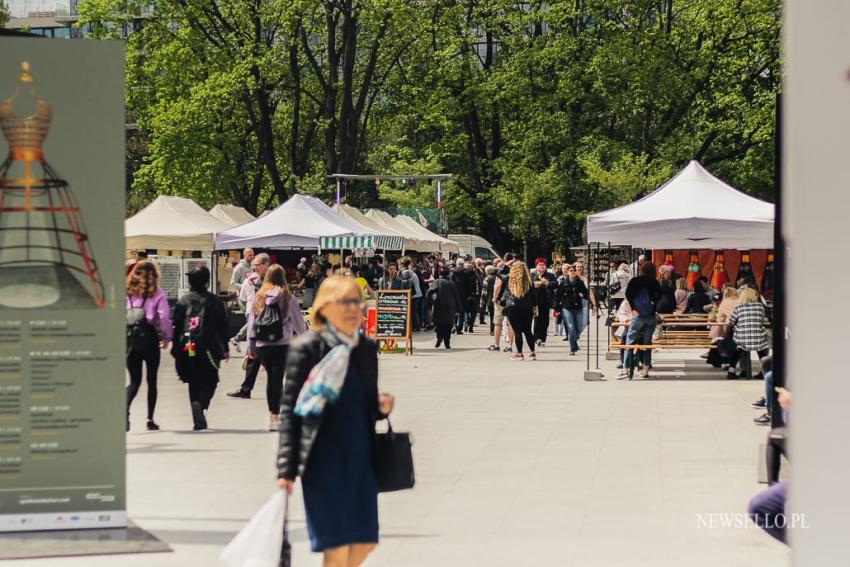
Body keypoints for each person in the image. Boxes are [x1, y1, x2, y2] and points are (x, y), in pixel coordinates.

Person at [277, 276, 395, 566]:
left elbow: (365, 400)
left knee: (366, 542)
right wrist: (286, 470)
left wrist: (380, 407)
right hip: (322, 462)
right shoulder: (306, 349)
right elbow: (291, 412)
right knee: (337, 547)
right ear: (324, 308)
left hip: (361, 460)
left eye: (357, 301)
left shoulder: (364, 348)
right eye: (345, 302)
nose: (353, 308)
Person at [247, 264, 308, 430]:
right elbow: (298, 322)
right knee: (278, 378)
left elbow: (251, 322)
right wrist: (305, 338)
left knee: (269, 379)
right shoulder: (287, 296)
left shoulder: (259, 296)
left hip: (263, 344)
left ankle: (270, 415)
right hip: (282, 343)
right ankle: (276, 415)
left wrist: (251, 346)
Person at [171, 266, 229, 430]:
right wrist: (225, 347)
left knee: (193, 379)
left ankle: (196, 415)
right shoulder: (214, 301)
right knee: (211, 379)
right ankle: (201, 404)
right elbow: (223, 326)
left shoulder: (183, 301)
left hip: (188, 346)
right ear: (207, 281)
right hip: (209, 347)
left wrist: (176, 347)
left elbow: (176, 326)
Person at [125, 261, 172, 431]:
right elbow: (164, 317)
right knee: (152, 381)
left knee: (134, 381)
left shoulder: (127, 294)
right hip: (150, 338)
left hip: (129, 340)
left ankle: (125, 410)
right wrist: (166, 337)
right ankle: (150, 419)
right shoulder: (158, 293)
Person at [227, 253, 271, 398]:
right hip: (254, 321)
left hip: (270, 324)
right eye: (253, 265)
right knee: (252, 356)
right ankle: (246, 389)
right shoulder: (248, 280)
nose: (255, 267)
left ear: (267, 265)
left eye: (258, 265)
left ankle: (280, 391)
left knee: (274, 361)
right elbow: (243, 298)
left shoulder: (274, 281)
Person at [619, 261, 662, 379]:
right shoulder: (655, 282)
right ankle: (645, 369)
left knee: (630, 341)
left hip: (637, 316)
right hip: (650, 316)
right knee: (647, 343)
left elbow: (628, 294)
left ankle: (625, 368)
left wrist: (633, 308)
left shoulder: (635, 281)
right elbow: (659, 297)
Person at [728, 287, 770, 380]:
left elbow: (731, 321)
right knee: (762, 352)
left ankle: (731, 371)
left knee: (737, 350)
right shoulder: (760, 306)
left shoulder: (739, 307)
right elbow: (762, 319)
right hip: (758, 338)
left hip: (742, 339)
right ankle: (765, 372)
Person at [504, 262, 537, 361]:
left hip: (513, 308)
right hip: (527, 308)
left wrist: (506, 265)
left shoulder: (510, 280)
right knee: (527, 331)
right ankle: (532, 353)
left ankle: (520, 353)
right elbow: (534, 296)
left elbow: (498, 272)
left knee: (517, 331)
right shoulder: (529, 282)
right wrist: (535, 307)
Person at [555, 264, 588, 356]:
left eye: (574, 270)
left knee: (579, 327)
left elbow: (586, 293)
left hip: (578, 307)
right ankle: (572, 348)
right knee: (571, 328)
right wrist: (556, 309)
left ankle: (574, 342)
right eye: (571, 270)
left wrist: (583, 295)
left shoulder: (579, 282)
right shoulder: (564, 283)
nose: (573, 272)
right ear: (568, 272)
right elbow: (558, 296)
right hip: (567, 308)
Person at [428, 268, 462, 349]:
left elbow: (430, 292)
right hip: (450, 306)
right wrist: (458, 308)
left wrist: (431, 301)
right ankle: (447, 342)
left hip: (439, 305)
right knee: (448, 325)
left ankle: (439, 337)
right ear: (448, 274)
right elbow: (456, 296)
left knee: (439, 324)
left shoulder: (437, 281)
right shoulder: (451, 283)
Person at [488, 253, 516, 352]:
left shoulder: (502, 270)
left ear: (504, 260)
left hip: (502, 300)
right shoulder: (517, 270)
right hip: (513, 299)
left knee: (498, 323)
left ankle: (496, 344)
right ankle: (509, 345)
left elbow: (498, 286)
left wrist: (494, 298)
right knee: (511, 323)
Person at [531, 259, 555, 347]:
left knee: (545, 320)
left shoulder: (550, 275)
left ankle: (543, 338)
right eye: (540, 265)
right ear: (536, 266)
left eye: (543, 265)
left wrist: (547, 283)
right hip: (535, 301)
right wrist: (534, 285)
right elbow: (528, 286)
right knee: (537, 319)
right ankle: (537, 338)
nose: (541, 266)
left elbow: (555, 285)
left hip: (546, 300)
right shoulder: (532, 275)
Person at [451, 258, 474, 334]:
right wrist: (469, 295)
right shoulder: (465, 273)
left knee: (454, 312)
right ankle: (459, 328)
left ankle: (454, 326)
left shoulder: (452, 273)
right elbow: (469, 285)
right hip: (463, 296)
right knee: (461, 312)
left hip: (454, 295)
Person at [574, 262, 599, 332]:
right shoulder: (573, 277)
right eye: (578, 267)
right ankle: (574, 334)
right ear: (575, 268)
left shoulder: (585, 279)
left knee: (585, 321)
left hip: (584, 301)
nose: (579, 268)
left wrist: (594, 304)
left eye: (581, 267)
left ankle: (576, 333)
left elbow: (590, 292)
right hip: (574, 301)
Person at [401, 259, 423, 331]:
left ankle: (416, 326)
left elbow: (406, 283)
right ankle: (417, 326)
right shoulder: (410, 271)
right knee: (414, 311)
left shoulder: (405, 272)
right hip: (417, 293)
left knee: (413, 311)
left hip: (414, 294)